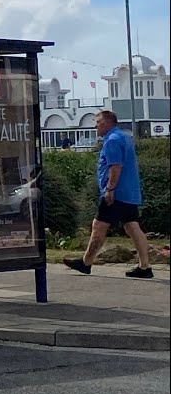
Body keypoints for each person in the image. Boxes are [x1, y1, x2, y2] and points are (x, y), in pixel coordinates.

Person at [64, 110, 154, 278]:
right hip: (129, 191)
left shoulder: (112, 141)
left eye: (97, 123)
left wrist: (110, 189)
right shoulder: (124, 137)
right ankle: (145, 266)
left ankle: (85, 262)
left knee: (98, 225)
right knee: (132, 226)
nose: (95, 126)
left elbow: (115, 167)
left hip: (115, 193)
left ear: (106, 123)